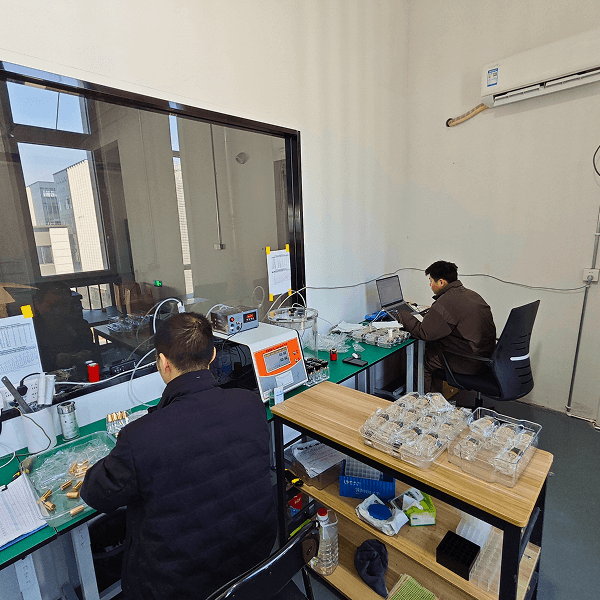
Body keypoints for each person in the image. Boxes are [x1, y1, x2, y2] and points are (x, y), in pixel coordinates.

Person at [81, 312, 277, 600]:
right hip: (253, 562)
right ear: (212, 355)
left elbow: (94, 494)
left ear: (163, 363)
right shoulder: (250, 403)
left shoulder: (140, 436)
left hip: (180, 587)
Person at [394, 261, 496, 393]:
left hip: (469, 362)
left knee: (422, 360)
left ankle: (423, 403)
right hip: (485, 357)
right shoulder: (471, 295)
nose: (430, 285)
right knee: (432, 348)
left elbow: (424, 333)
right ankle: (436, 399)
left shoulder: (447, 301)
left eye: (431, 281)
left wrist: (401, 314)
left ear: (441, 282)